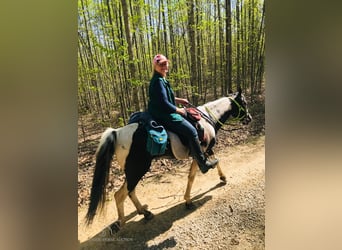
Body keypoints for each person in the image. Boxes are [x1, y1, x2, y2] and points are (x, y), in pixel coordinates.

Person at [147, 54, 218, 173]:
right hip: (164, 114)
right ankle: (202, 163)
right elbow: (164, 103)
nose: (164, 66)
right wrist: (178, 109)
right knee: (192, 131)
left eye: (165, 63)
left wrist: (179, 100)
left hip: (163, 111)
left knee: (191, 120)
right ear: (155, 66)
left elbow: (166, 97)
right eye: (161, 64)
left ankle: (192, 150)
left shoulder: (161, 79)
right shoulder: (158, 81)